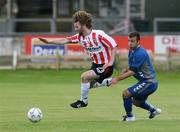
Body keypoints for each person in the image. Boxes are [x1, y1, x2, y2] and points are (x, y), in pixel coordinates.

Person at [39, 10, 117, 108]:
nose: (75, 29)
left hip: (106, 66)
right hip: (95, 65)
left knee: (84, 77)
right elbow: (65, 40)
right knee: (89, 85)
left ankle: (83, 102)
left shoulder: (98, 34)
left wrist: (110, 62)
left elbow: (113, 45)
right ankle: (108, 82)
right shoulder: (80, 37)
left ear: (83, 24)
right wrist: (48, 42)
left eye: (77, 26)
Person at [110, 32, 161, 121]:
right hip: (145, 82)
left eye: (132, 41)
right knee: (137, 102)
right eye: (129, 41)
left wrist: (117, 79)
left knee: (126, 94)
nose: (130, 43)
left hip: (149, 82)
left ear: (138, 42)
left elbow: (132, 72)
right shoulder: (132, 50)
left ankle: (130, 117)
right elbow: (133, 67)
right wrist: (127, 69)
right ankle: (153, 111)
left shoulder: (140, 53)